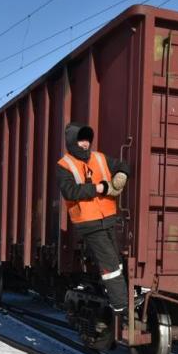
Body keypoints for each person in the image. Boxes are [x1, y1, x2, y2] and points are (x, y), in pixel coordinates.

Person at [56, 122, 131, 312]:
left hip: (109, 218)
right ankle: (121, 305)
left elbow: (122, 164)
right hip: (88, 222)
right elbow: (70, 191)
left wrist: (122, 174)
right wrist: (99, 187)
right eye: (81, 140)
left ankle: (121, 296)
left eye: (87, 140)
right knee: (110, 264)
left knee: (117, 261)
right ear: (72, 141)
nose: (85, 144)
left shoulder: (99, 158)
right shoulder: (64, 165)